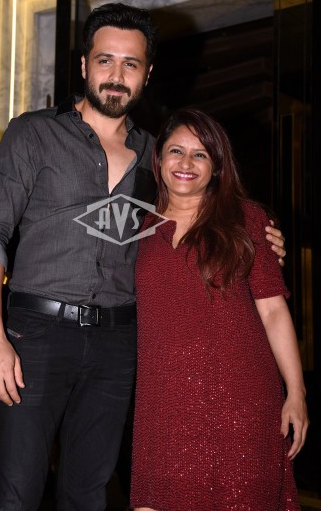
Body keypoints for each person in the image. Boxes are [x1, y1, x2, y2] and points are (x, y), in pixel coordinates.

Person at [0, 3, 286, 511]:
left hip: (118, 342)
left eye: (130, 64)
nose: (116, 76)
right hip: (36, 334)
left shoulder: (157, 157)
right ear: (84, 65)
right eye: (105, 60)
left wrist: (260, 238)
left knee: (89, 493)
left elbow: (200, 213)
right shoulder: (33, 133)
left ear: (147, 73)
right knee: (15, 490)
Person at [130, 108, 309, 511]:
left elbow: (273, 311)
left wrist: (296, 392)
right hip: (162, 403)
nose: (186, 163)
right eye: (176, 151)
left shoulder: (247, 219)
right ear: (159, 158)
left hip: (241, 400)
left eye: (201, 154)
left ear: (216, 166)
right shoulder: (136, 226)